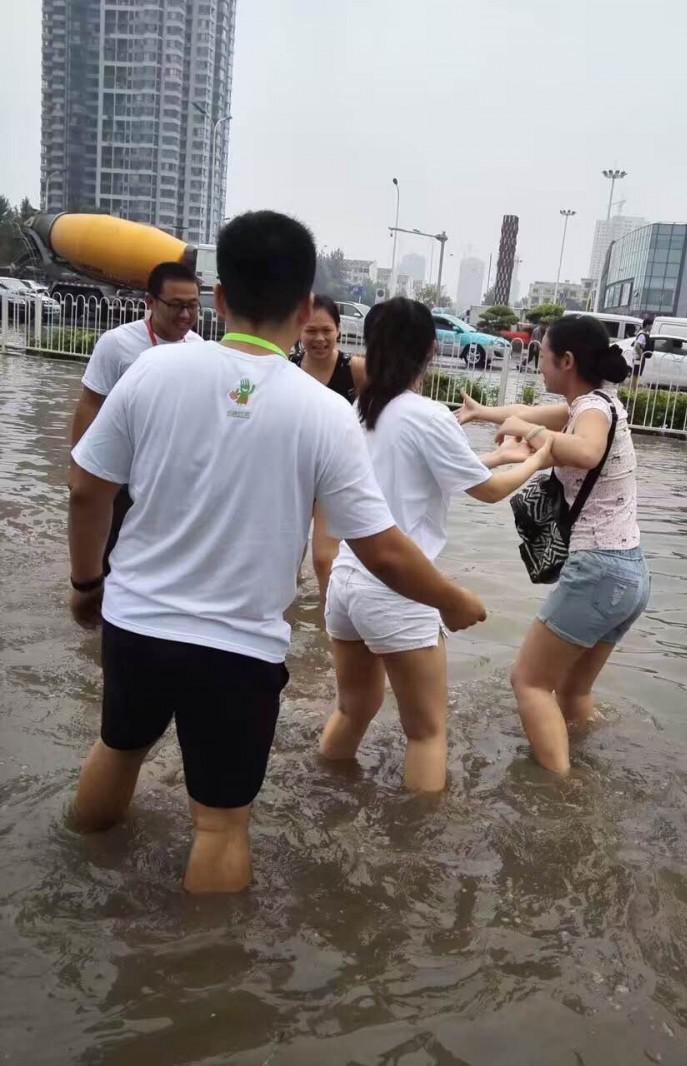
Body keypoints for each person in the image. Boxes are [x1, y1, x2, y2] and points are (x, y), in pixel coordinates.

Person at [68, 211, 486, 895]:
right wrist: (452, 598)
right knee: (220, 824)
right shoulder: (323, 412)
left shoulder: (151, 373)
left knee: (118, 750)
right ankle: (205, 978)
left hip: (136, 622)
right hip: (237, 647)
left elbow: (87, 488)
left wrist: (88, 585)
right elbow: (379, 550)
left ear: (219, 299)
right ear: (302, 307)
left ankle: (75, 882)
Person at [320, 298, 554, 792]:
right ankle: (414, 854)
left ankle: (326, 789)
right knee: (426, 734)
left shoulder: (357, 409)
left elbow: (435, 471)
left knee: (352, 709)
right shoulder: (426, 414)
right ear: (430, 349)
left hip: (346, 583)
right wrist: (537, 460)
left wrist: (497, 456)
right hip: (398, 589)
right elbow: (486, 493)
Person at [457, 314, 650, 775]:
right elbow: (525, 417)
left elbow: (583, 451)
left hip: (600, 571)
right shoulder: (598, 402)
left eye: (541, 355)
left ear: (566, 360)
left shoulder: (591, 412)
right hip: (631, 576)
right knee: (573, 692)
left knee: (528, 681)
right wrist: (483, 414)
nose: (537, 364)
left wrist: (537, 442)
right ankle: (589, 766)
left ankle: (562, 793)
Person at [70, 262, 203, 571]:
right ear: (150, 302)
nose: (185, 315)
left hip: (167, 478)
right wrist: (77, 469)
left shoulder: (199, 349)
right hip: (120, 474)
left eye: (193, 306)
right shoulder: (117, 344)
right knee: (108, 554)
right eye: (176, 306)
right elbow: (90, 404)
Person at [291, 295, 366, 604]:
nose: (319, 339)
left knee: (325, 559)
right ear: (299, 331)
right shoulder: (287, 368)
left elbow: (380, 411)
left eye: (327, 330)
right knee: (287, 556)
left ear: (338, 330)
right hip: (294, 471)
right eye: (311, 331)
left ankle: (329, 628)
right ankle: (287, 619)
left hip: (335, 473)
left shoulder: (356, 369)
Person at [630, 313, 654, 383]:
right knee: (635, 375)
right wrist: (641, 356)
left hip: (638, 358)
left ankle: (633, 389)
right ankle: (633, 390)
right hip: (638, 358)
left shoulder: (643, 334)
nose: (651, 328)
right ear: (647, 325)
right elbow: (637, 346)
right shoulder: (642, 335)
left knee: (636, 374)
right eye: (651, 326)